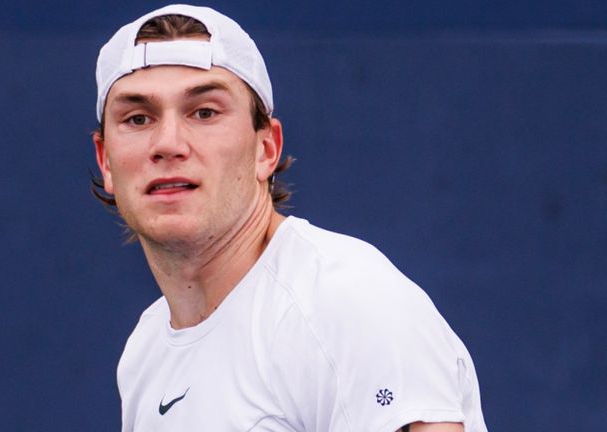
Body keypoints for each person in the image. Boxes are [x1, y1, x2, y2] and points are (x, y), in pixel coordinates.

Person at [91, 4, 488, 432]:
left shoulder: (346, 303)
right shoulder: (145, 351)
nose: (168, 143)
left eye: (204, 112)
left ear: (266, 149)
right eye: (137, 118)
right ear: (106, 162)